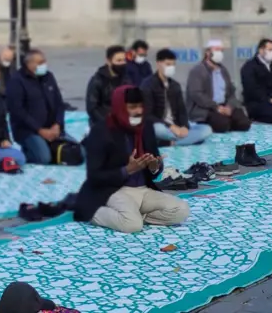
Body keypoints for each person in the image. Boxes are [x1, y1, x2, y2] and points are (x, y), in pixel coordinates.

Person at [75, 85, 190, 234]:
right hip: (115, 191)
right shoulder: (101, 131)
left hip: (142, 190)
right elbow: (95, 177)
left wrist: (154, 167)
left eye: (140, 106)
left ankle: (136, 215)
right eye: (132, 107)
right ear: (120, 107)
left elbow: (154, 165)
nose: (139, 111)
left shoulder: (146, 126)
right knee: (133, 225)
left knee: (181, 210)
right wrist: (127, 170)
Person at [6, 50, 70, 165]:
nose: (44, 64)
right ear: (29, 64)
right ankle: (29, 150)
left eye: (44, 61)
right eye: (40, 62)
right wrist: (39, 130)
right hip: (29, 130)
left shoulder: (48, 76)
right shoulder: (17, 81)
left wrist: (57, 124)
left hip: (52, 127)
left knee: (78, 151)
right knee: (44, 158)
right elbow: (18, 111)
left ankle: (49, 147)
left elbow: (59, 103)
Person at [140, 49, 213, 146]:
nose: (171, 67)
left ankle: (171, 142)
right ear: (158, 64)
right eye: (168, 64)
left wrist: (185, 127)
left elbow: (182, 111)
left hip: (177, 126)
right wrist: (170, 126)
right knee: (157, 129)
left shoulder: (175, 85)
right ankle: (185, 139)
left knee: (206, 129)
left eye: (173, 64)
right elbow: (148, 115)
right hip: (162, 126)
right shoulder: (147, 85)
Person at [186, 39, 252, 133]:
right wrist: (216, 107)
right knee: (222, 125)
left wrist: (229, 106)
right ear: (207, 53)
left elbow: (231, 92)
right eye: (217, 50)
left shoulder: (223, 70)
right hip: (206, 108)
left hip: (224, 105)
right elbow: (196, 94)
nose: (220, 53)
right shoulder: (197, 71)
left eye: (221, 51)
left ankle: (229, 121)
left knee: (244, 123)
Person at [86, 45, 129, 125]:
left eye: (124, 60)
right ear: (108, 61)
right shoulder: (97, 81)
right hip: (103, 122)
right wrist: (107, 122)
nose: (122, 63)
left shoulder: (126, 78)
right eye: (118, 61)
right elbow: (92, 108)